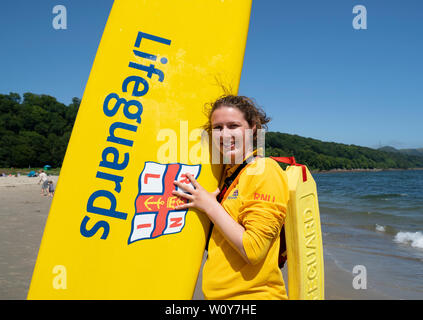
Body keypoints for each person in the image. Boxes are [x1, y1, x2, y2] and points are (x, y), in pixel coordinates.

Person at [172, 95, 289, 300]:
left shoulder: (264, 171)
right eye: (218, 128)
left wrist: (210, 206)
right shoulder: (228, 174)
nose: (225, 135)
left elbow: (253, 250)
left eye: (233, 126)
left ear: (253, 127)